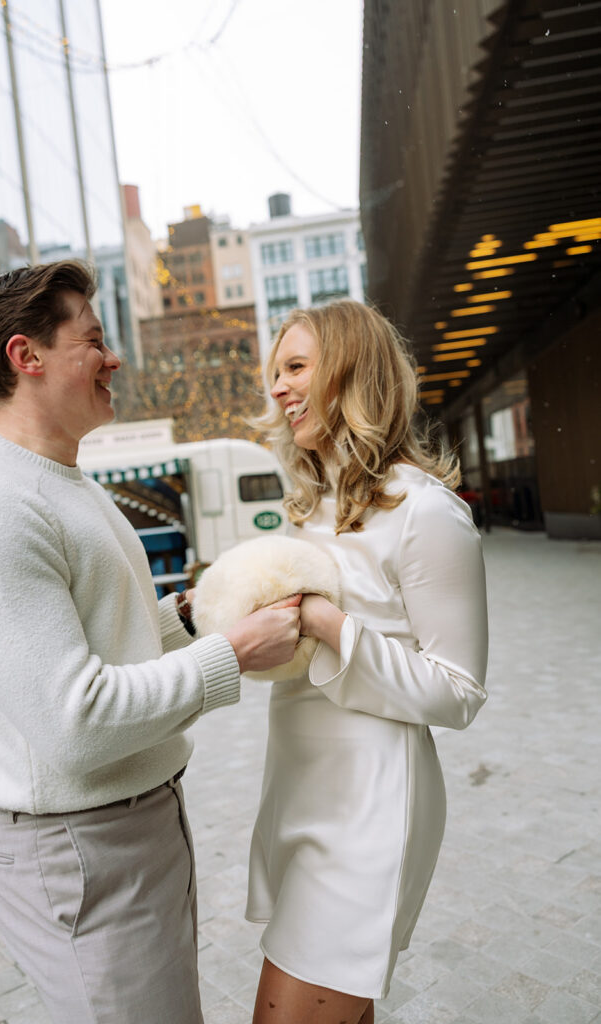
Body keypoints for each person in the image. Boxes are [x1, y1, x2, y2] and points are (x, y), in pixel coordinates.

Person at [0, 260, 301, 1024]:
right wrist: (232, 653)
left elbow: (103, 642)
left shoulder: (65, 482)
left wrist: (192, 616)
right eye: (92, 340)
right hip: (79, 849)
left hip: (131, 829)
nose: (112, 357)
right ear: (26, 358)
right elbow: (76, 722)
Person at [246, 299, 488, 1024]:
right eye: (275, 373)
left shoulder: (425, 512)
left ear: (351, 372)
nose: (279, 388)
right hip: (300, 786)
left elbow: (459, 693)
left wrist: (323, 621)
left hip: (370, 804)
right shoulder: (306, 508)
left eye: (296, 368)